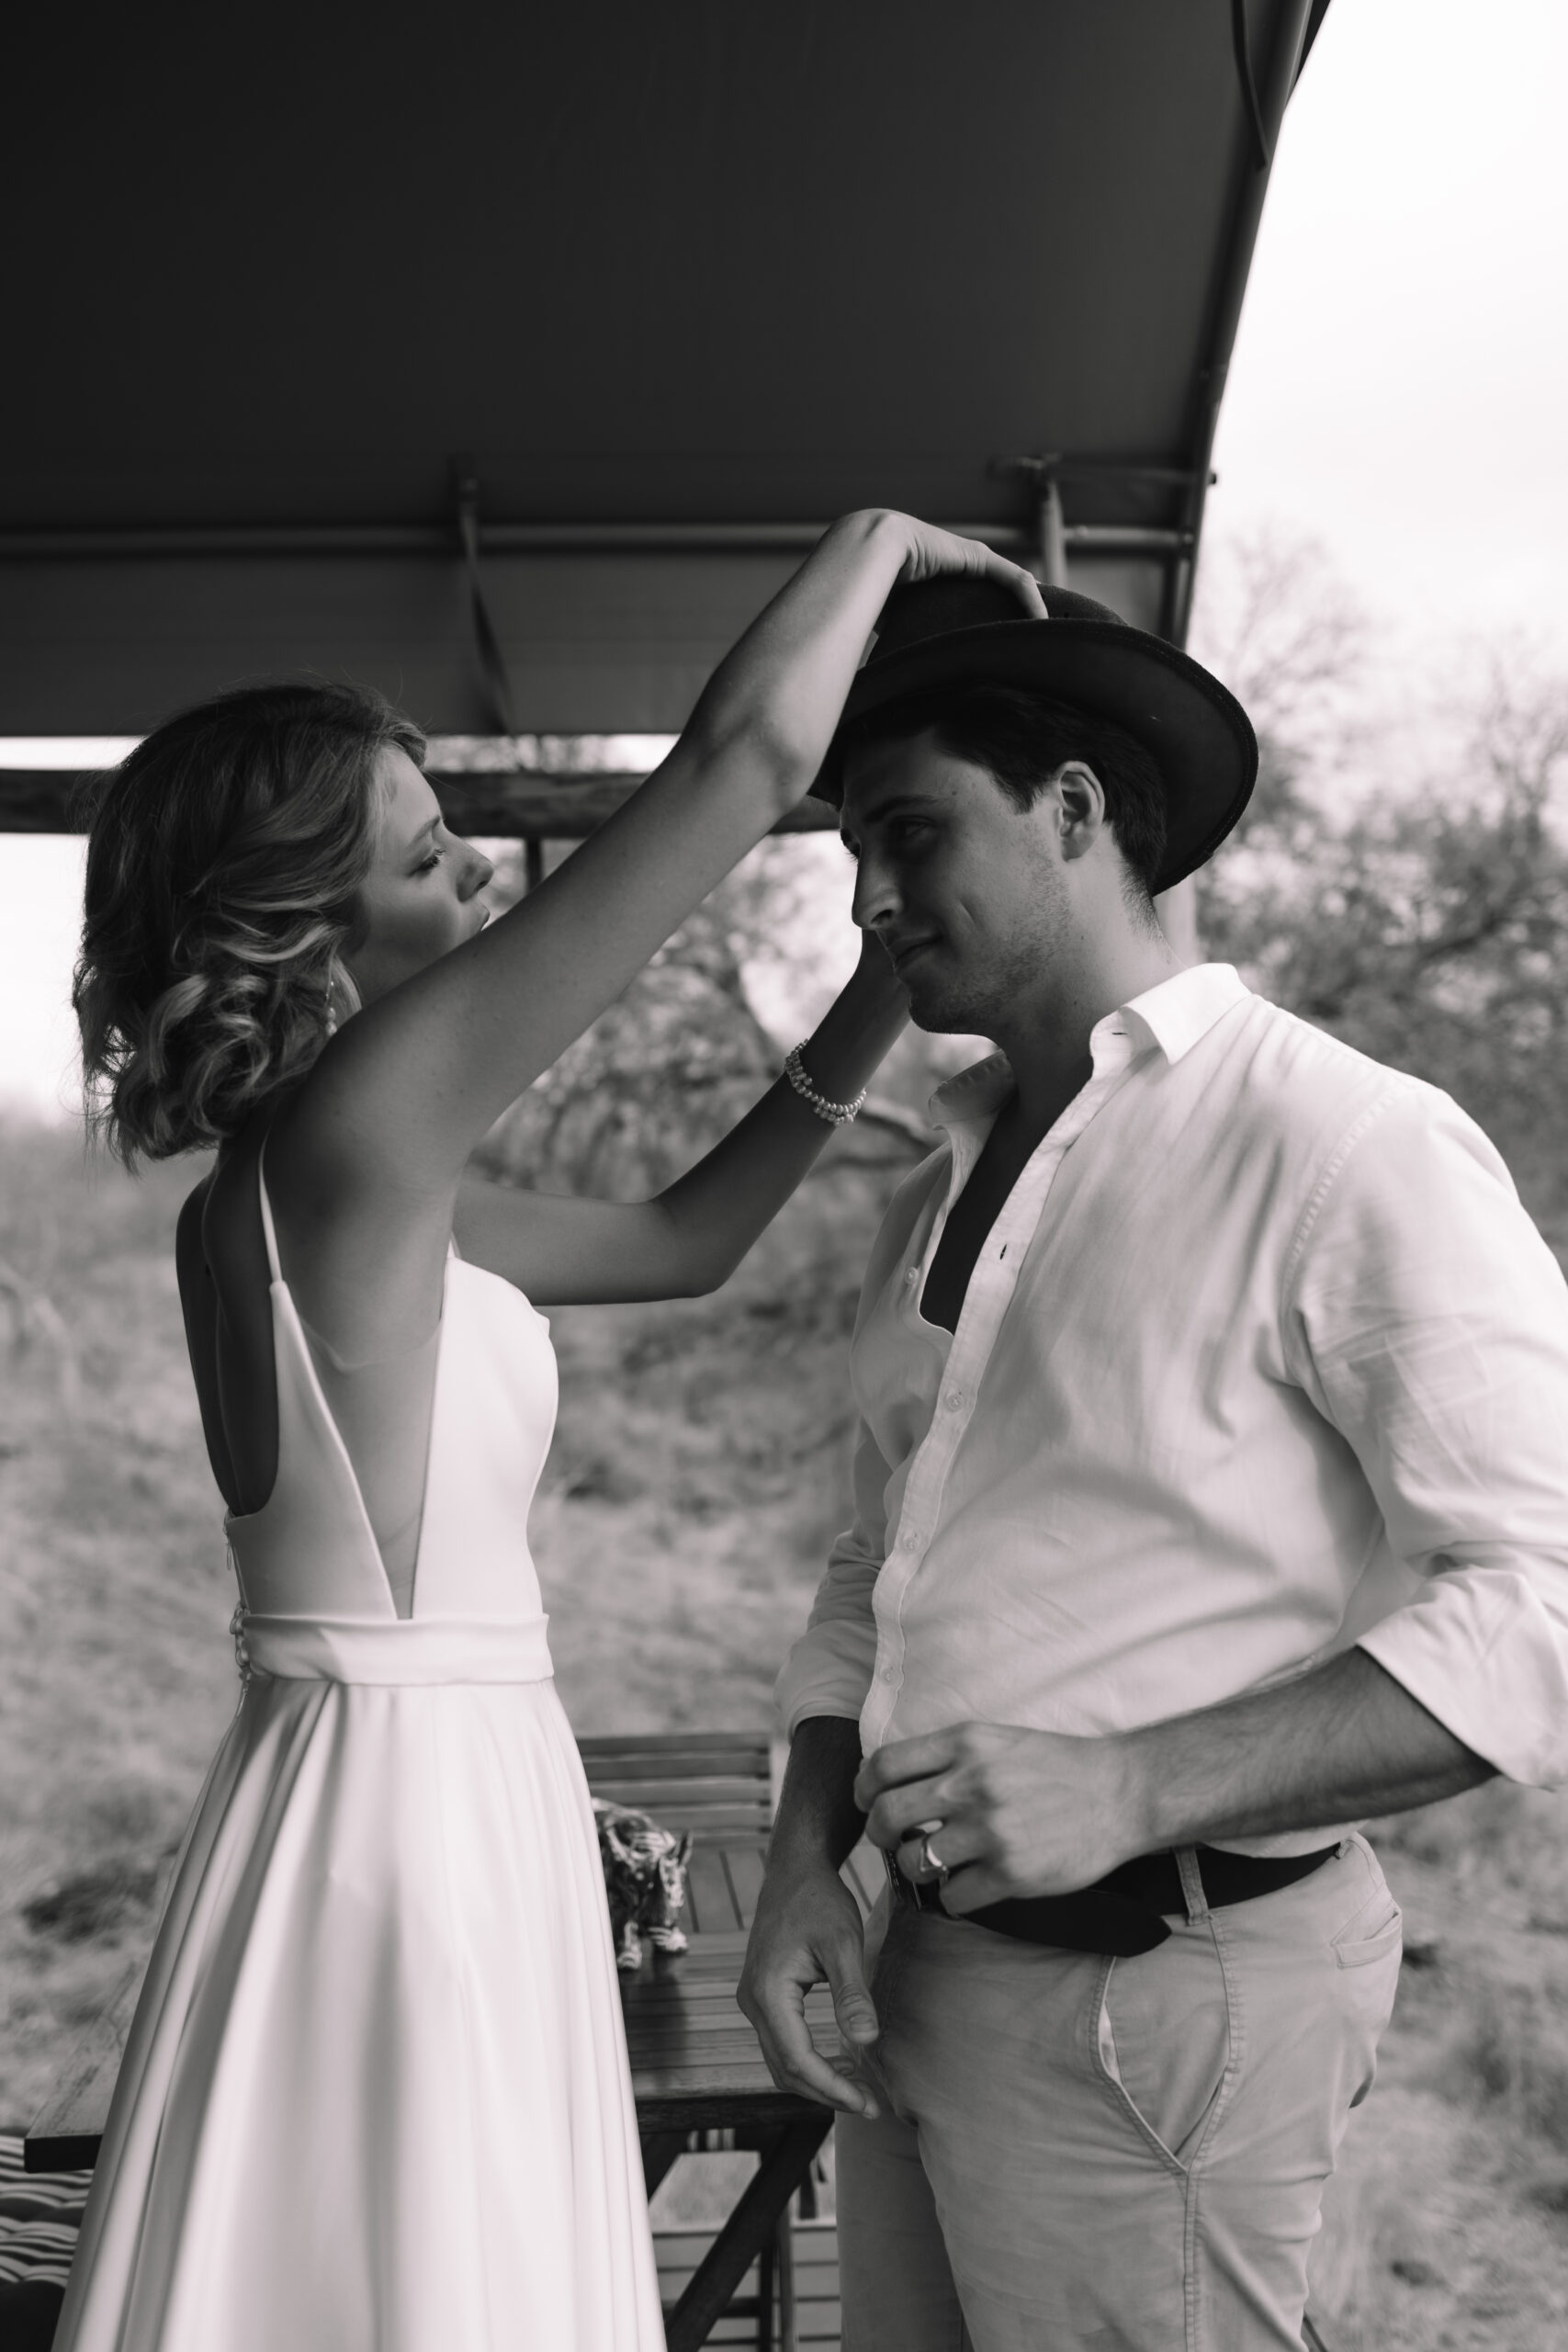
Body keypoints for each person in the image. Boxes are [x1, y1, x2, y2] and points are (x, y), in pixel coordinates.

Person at [58, 514, 1046, 2352]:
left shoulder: (323, 1188)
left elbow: (683, 1246)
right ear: (309, 923)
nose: (478, 898)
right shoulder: (354, 1138)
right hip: (409, 1810)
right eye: (432, 860)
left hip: (388, 1784)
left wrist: (867, 992)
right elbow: (742, 763)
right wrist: (879, 537)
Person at [738, 573, 1568, 2351]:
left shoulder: (1346, 1144)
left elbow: (1542, 1610)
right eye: (843, 853)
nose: (869, 900)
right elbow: (871, 1569)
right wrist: (806, 1864)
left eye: (907, 833)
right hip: (910, 1971)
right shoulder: (933, 1186)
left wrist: (1133, 1787)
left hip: (1168, 2000)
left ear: (1074, 811)